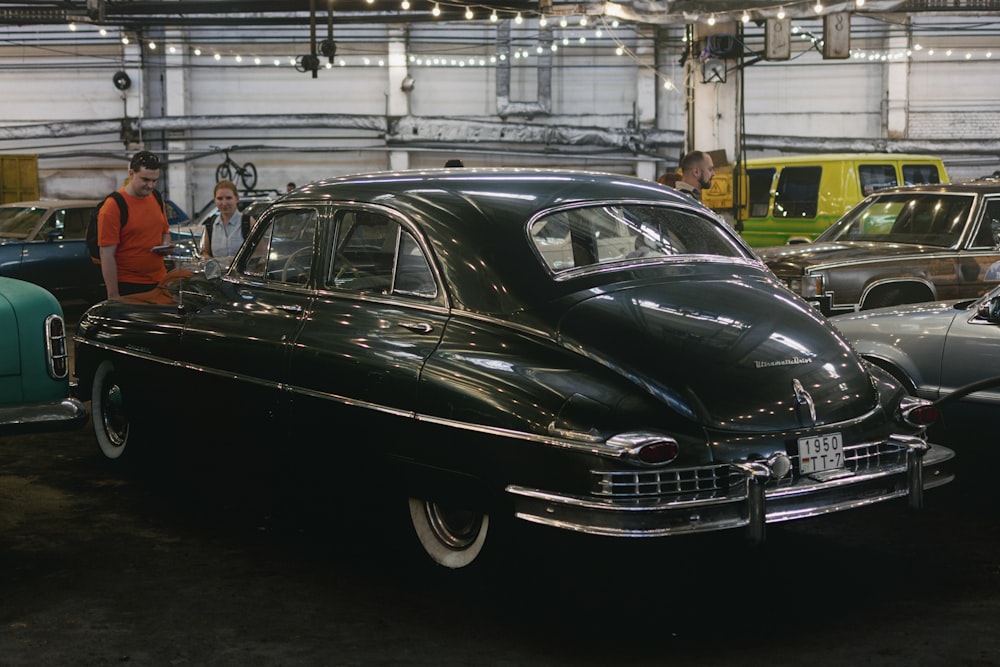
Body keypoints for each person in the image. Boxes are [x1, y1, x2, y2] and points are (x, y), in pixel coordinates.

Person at [98, 150, 172, 299]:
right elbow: (106, 255)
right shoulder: (114, 206)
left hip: (159, 282)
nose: (150, 185)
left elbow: (165, 231)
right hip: (129, 285)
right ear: (131, 174)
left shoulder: (156, 198)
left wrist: (165, 245)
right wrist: (113, 295)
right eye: (145, 179)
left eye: (155, 180)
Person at [202, 179, 246, 265]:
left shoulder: (247, 222)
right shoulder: (210, 225)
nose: (224, 203)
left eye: (228, 198)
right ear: (214, 200)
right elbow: (205, 252)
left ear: (237, 198)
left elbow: (258, 254)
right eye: (220, 198)